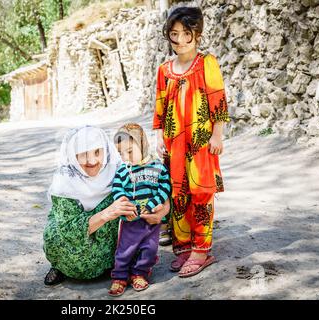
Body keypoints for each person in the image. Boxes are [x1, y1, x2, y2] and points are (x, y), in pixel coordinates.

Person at [153, 6, 230, 278]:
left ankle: (201, 250)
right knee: (178, 195)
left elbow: (218, 100)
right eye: (174, 34)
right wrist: (160, 136)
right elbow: (161, 105)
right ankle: (183, 247)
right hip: (174, 143)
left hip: (200, 142)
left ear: (197, 34)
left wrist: (217, 136)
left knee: (201, 193)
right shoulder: (164, 70)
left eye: (187, 33)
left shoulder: (206, 63)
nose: (180, 40)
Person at [43, 126, 170, 285]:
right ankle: (60, 267)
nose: (92, 161)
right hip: (75, 244)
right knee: (59, 241)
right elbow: (69, 231)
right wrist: (106, 213)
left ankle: (120, 267)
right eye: (83, 155)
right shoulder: (65, 182)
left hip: (114, 243)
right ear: (73, 156)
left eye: (97, 152)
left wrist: (162, 211)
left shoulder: (119, 167)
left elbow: (154, 187)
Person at [108, 123, 171, 296]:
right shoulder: (123, 170)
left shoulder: (158, 167)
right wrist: (123, 201)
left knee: (149, 249)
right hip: (131, 220)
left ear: (142, 144)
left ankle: (140, 273)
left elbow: (164, 189)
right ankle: (120, 276)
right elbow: (117, 188)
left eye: (129, 151)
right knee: (125, 249)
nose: (126, 157)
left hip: (151, 221)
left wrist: (152, 205)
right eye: (121, 153)